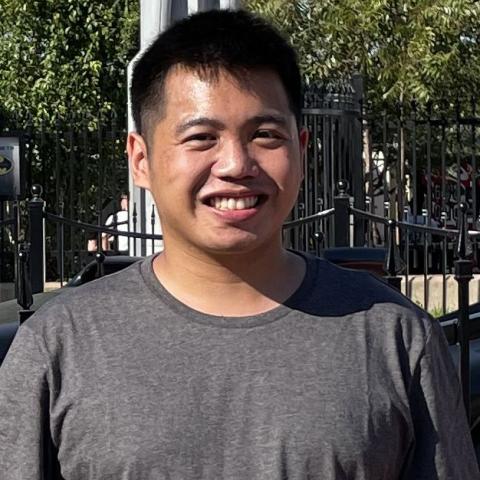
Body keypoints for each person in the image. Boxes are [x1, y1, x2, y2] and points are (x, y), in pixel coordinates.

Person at [0, 9, 478, 480]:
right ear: (141, 160)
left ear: (301, 150)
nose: (235, 164)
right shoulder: (58, 345)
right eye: (201, 137)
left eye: (264, 135)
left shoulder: (396, 336)